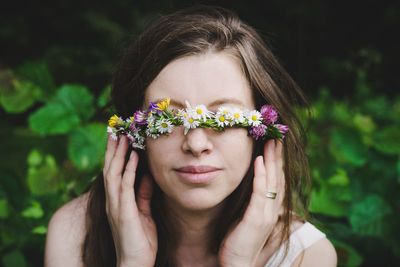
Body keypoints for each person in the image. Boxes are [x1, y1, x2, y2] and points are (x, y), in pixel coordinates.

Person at [44, 5, 337, 267]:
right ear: (135, 132)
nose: (196, 144)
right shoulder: (75, 232)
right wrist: (132, 262)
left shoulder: (305, 256)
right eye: (168, 119)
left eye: (224, 119)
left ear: (261, 134)